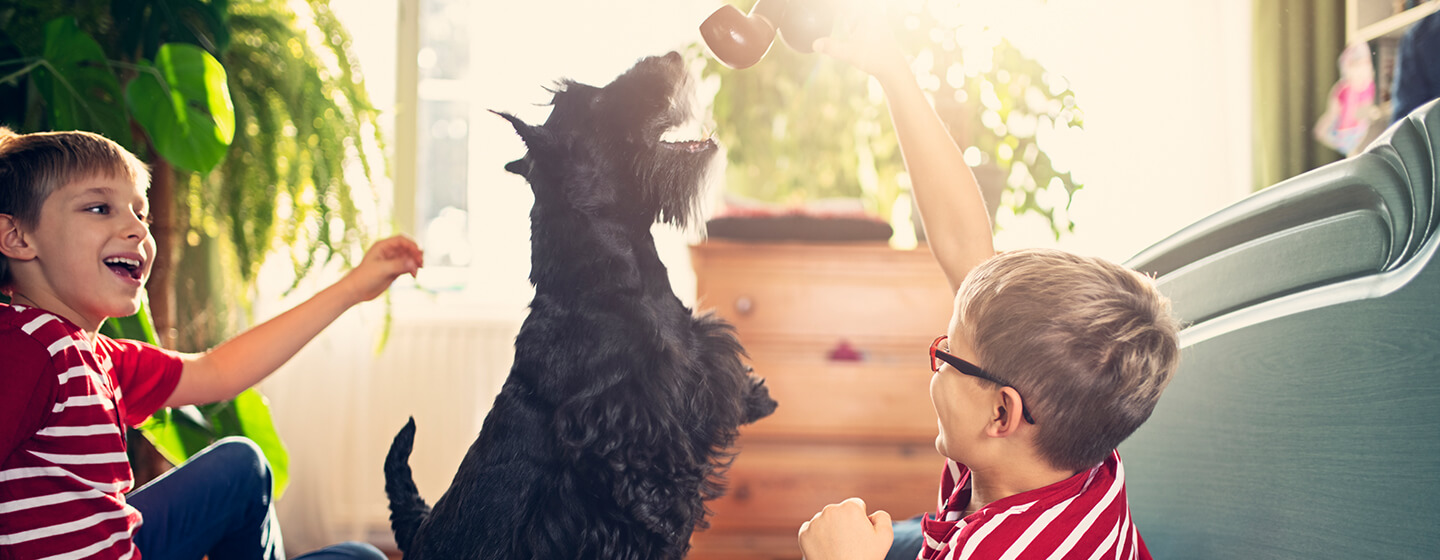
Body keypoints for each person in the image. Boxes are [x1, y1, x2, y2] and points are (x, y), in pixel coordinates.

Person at [796, 15, 1182, 560]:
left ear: (1001, 414)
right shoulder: (1056, 443)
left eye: (948, 355)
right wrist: (892, 71)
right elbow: (965, 245)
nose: (936, 366)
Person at [0, 127, 423, 559]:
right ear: (17, 238)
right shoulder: (28, 349)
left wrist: (353, 288)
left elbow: (215, 373)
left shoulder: (90, 355)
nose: (135, 230)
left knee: (247, 470)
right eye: (99, 208)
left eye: (140, 214)